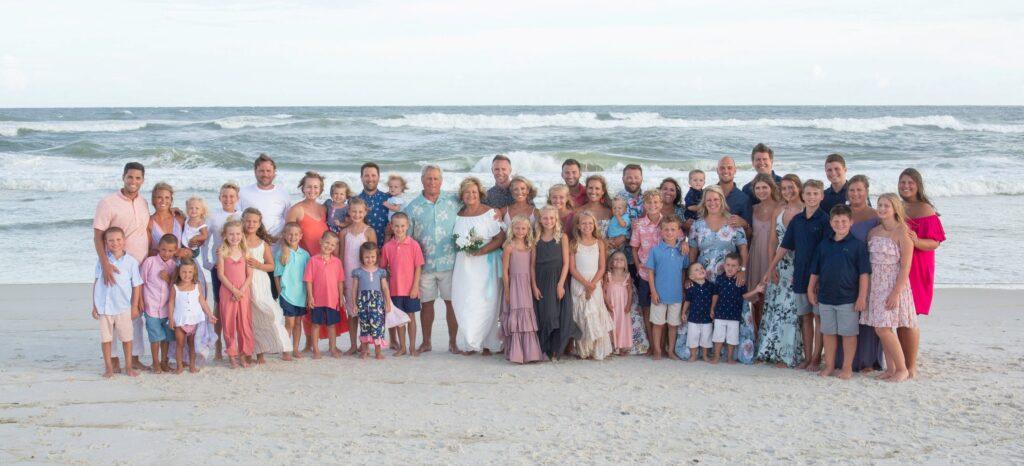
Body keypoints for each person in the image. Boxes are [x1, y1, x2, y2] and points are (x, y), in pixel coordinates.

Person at [762, 179, 830, 371]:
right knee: (805, 317)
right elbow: (784, 246)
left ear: (821, 196)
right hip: (799, 274)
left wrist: (818, 277)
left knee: (819, 318)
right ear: (803, 195)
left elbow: (826, 251)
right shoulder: (797, 220)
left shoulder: (825, 220)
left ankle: (817, 358)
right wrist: (771, 268)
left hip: (818, 277)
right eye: (808, 193)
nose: (811, 197)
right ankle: (807, 358)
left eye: (815, 193)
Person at [807, 205, 871, 380]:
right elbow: (815, 271)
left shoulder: (857, 245)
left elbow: (864, 274)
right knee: (828, 333)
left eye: (844, 221)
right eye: (836, 221)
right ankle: (829, 366)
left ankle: (847, 367)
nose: (840, 224)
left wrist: (861, 297)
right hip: (825, 298)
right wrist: (810, 289)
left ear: (851, 222)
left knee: (848, 334)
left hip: (848, 299)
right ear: (831, 222)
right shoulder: (824, 245)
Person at [403, 165, 461, 354]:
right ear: (422, 180)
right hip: (425, 266)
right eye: (429, 178)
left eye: (436, 178)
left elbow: (473, 212)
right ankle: (426, 342)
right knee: (426, 304)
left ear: (441, 181)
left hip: (450, 262)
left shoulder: (454, 201)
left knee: (451, 303)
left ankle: (453, 343)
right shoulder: (412, 207)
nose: (432, 182)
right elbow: (408, 239)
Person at [863, 193, 917, 383]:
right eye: (880, 205)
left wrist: (896, 292)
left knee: (883, 328)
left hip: (893, 284)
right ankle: (891, 368)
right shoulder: (874, 232)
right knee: (881, 329)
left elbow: (905, 266)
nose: (882, 208)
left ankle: (902, 369)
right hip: (876, 284)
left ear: (895, 209)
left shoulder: (903, 231)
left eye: (886, 205)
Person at [452, 177, 506, 355]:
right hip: (463, 265)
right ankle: (469, 342)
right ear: (462, 195)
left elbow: (500, 238)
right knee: (465, 300)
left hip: (484, 264)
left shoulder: (490, 213)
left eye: (474, 192)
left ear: (480, 193)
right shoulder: (457, 214)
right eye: (467, 192)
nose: (471, 195)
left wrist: (481, 251)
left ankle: (487, 343)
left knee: (486, 302)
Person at [835, 174, 884, 372]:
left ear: (866, 192)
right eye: (852, 190)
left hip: (867, 271)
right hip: (843, 272)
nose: (855, 193)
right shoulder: (840, 214)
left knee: (865, 314)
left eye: (859, 190)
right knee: (846, 315)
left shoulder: (875, 216)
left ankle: (867, 360)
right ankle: (845, 360)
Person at [756, 174, 806, 368]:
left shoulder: (805, 209)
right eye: (784, 188)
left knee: (790, 309)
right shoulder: (778, 209)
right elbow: (772, 242)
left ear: (799, 187)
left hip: (797, 265)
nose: (787, 191)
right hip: (778, 265)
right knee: (774, 305)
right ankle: (768, 350)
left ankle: (786, 355)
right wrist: (771, 267)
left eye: (791, 187)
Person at [899, 168, 945, 379]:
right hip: (898, 265)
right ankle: (901, 363)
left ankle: (912, 365)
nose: (905, 186)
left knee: (910, 318)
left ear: (918, 185)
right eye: (902, 182)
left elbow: (935, 242)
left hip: (918, 265)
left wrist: (917, 241)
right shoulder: (898, 206)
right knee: (899, 316)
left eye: (910, 183)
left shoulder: (925, 209)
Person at [241, 208, 291, 363]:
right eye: (248, 221)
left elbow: (271, 266)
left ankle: (270, 351)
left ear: (259, 223)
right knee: (249, 318)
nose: (251, 224)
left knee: (266, 313)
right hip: (243, 282)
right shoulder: (238, 240)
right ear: (242, 221)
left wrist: (258, 264)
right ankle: (250, 353)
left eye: (255, 221)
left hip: (260, 281)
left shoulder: (263, 244)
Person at [92, 227, 143, 378]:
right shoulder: (102, 261)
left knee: (127, 338)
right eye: (111, 240)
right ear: (106, 243)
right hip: (104, 307)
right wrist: (94, 305)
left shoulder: (131, 262)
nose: (115, 243)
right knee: (106, 339)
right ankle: (109, 368)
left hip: (123, 307)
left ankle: (128, 367)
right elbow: (96, 282)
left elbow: (137, 285)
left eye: (118, 240)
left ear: (124, 241)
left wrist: (134, 306)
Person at [569, 211, 614, 360]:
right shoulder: (574, 243)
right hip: (579, 282)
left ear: (594, 225)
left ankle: (597, 350)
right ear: (578, 226)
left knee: (595, 313)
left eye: (590, 223)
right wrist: (585, 285)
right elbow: (572, 268)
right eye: (583, 223)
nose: (587, 226)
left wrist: (592, 285)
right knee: (581, 315)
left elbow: (602, 267)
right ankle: (583, 350)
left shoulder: (599, 242)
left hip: (595, 283)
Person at [532, 206, 575, 361]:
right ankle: (543, 349)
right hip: (540, 279)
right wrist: (534, 285)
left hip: (557, 280)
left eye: (551, 218)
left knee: (556, 314)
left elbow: (566, 263)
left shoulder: (562, 237)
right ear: (540, 219)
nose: (548, 221)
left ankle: (555, 350)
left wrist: (561, 284)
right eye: (545, 218)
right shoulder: (535, 237)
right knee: (543, 315)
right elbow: (532, 265)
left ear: (556, 219)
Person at [380, 212, 424, 357]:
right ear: (391, 227)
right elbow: (383, 268)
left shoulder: (414, 245)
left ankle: (412, 347)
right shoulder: (387, 247)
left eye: (402, 226)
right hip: (394, 290)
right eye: (396, 226)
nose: (399, 229)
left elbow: (418, 267)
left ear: (407, 226)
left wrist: (415, 287)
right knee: (399, 320)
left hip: (410, 289)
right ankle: (402, 347)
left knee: (410, 317)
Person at [204, 182, 240, 360]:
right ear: (219, 198)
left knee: (239, 306)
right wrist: (206, 260)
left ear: (237, 198)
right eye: (224, 196)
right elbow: (205, 239)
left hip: (239, 266)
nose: (228, 199)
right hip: (219, 267)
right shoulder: (213, 216)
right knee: (219, 306)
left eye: (232, 196)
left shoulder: (241, 215)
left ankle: (238, 347)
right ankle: (218, 347)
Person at [501, 215, 544, 364]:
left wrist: (534, 286)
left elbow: (532, 269)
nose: (520, 231)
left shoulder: (531, 246)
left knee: (526, 317)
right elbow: (505, 272)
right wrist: (507, 291)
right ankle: (515, 352)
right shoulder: (509, 247)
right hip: (513, 285)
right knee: (514, 316)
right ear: (512, 229)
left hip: (526, 285)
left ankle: (529, 353)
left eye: (523, 228)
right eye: (517, 228)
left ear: (528, 230)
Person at [646, 215, 689, 360]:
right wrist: (653, 291)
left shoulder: (682, 250)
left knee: (673, 325)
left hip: (676, 294)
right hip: (659, 294)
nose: (669, 232)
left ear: (678, 232)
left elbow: (684, 271)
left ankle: (670, 351)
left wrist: (683, 290)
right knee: (658, 324)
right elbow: (650, 272)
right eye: (666, 230)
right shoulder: (655, 250)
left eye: (673, 229)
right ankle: (657, 350)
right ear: (661, 231)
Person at [339, 198, 377, 354]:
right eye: (354, 211)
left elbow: (375, 255)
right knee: (352, 312)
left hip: (365, 277)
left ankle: (365, 344)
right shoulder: (344, 232)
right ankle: (353, 344)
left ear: (365, 212)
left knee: (366, 312)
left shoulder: (369, 231)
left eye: (360, 211)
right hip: (349, 276)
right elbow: (341, 256)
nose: (357, 214)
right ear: (349, 211)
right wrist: (340, 279)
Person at [630, 190, 666, 353]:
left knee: (662, 308)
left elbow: (678, 242)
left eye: (656, 202)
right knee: (647, 308)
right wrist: (638, 266)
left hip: (664, 274)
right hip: (645, 274)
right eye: (649, 203)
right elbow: (634, 247)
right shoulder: (639, 224)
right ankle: (652, 344)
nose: (653, 205)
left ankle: (662, 346)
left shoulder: (667, 223)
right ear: (644, 205)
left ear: (661, 204)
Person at [711, 253, 764, 364]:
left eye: (734, 266)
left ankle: (730, 358)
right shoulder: (719, 279)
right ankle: (716, 357)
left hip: (734, 316)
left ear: (739, 268)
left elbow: (744, 296)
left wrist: (756, 290)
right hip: (720, 314)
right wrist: (712, 308)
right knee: (718, 337)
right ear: (724, 265)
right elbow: (715, 294)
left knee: (732, 338)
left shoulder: (740, 282)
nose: (730, 268)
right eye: (728, 265)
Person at [167, 259, 216, 374]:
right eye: (184, 272)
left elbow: (202, 301)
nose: (187, 275)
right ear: (179, 272)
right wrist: (170, 319)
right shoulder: (175, 287)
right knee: (180, 344)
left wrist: (210, 314)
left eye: (190, 272)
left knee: (192, 345)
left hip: (194, 320)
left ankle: (192, 366)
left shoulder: (196, 286)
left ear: (194, 273)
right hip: (180, 321)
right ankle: (179, 366)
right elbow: (170, 303)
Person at [746, 173, 781, 335]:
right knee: (757, 299)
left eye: (764, 187)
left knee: (772, 298)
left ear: (771, 188)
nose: (761, 191)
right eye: (758, 188)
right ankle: (756, 336)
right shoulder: (753, 209)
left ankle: (771, 337)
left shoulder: (780, 207)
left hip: (774, 257)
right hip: (755, 256)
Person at [217, 220, 254, 369]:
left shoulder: (245, 252)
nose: (235, 237)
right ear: (225, 235)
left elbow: (249, 275)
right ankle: (232, 355)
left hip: (244, 292)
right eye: (231, 234)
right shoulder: (222, 252)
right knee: (228, 323)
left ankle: (243, 354)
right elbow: (220, 274)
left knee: (244, 323)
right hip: (228, 291)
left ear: (242, 235)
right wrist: (234, 290)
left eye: (238, 233)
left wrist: (242, 290)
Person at [304, 231, 346, 359]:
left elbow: (340, 282)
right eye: (327, 242)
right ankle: (315, 349)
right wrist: (310, 296)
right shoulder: (312, 260)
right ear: (321, 241)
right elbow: (309, 280)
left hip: (332, 300)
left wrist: (341, 297)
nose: (329, 246)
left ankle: (332, 348)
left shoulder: (337, 262)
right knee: (316, 324)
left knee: (331, 325)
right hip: (317, 300)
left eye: (333, 245)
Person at [140, 234, 178, 373]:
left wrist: (168, 278)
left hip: (167, 309)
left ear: (175, 251)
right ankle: (155, 362)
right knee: (155, 337)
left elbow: (176, 287)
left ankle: (164, 362)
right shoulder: (149, 262)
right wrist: (140, 301)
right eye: (163, 249)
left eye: (170, 251)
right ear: (158, 248)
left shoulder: (174, 266)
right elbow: (141, 282)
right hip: (151, 307)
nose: (166, 253)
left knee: (167, 338)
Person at [275, 222, 311, 359]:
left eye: (296, 234)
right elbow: (277, 276)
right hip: (287, 294)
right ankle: (286, 349)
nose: (293, 237)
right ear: (284, 235)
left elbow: (308, 277)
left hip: (301, 294)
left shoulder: (305, 255)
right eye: (290, 234)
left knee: (298, 322)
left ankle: (295, 349)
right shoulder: (281, 253)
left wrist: (308, 294)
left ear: (301, 236)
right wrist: (280, 293)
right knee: (288, 323)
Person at [351, 241, 392, 360]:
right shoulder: (358, 272)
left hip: (377, 302)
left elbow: (385, 288)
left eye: (373, 257)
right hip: (362, 302)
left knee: (377, 326)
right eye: (367, 257)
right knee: (364, 326)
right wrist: (354, 304)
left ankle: (378, 352)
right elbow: (354, 289)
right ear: (361, 257)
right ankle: (364, 351)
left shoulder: (380, 272)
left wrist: (388, 303)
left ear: (377, 257)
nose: (370, 259)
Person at [239, 153, 291, 242]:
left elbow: (288, 220)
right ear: (255, 172)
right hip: (250, 244)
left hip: (276, 244)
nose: (265, 174)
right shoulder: (243, 192)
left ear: (274, 172)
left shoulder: (283, 194)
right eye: (261, 171)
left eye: (268, 171)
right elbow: (238, 219)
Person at [683, 262, 715, 362]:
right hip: (693, 318)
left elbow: (714, 298)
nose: (701, 270)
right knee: (693, 337)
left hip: (706, 318)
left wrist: (713, 310)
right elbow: (687, 301)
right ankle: (693, 355)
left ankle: (705, 355)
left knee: (706, 337)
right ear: (691, 277)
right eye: (697, 270)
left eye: (701, 268)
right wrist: (683, 312)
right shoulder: (691, 288)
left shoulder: (710, 286)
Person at [604, 251, 633, 356]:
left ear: (625, 263)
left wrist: (629, 304)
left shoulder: (627, 276)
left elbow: (630, 291)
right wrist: (607, 303)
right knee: (611, 324)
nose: (618, 261)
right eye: (616, 259)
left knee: (622, 324)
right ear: (611, 263)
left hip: (623, 306)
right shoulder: (608, 276)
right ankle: (611, 346)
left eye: (621, 259)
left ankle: (621, 346)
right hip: (611, 305)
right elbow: (603, 291)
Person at [357, 162, 389, 247]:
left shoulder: (389, 199)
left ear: (378, 177)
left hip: (385, 248)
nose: (370, 179)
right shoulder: (355, 201)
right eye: (366, 175)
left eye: (373, 175)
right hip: (362, 251)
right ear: (361, 178)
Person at [716, 156, 752, 230]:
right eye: (722, 168)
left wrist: (744, 224)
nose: (726, 171)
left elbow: (750, 233)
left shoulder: (743, 198)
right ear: (717, 170)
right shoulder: (707, 194)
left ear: (735, 170)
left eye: (729, 168)